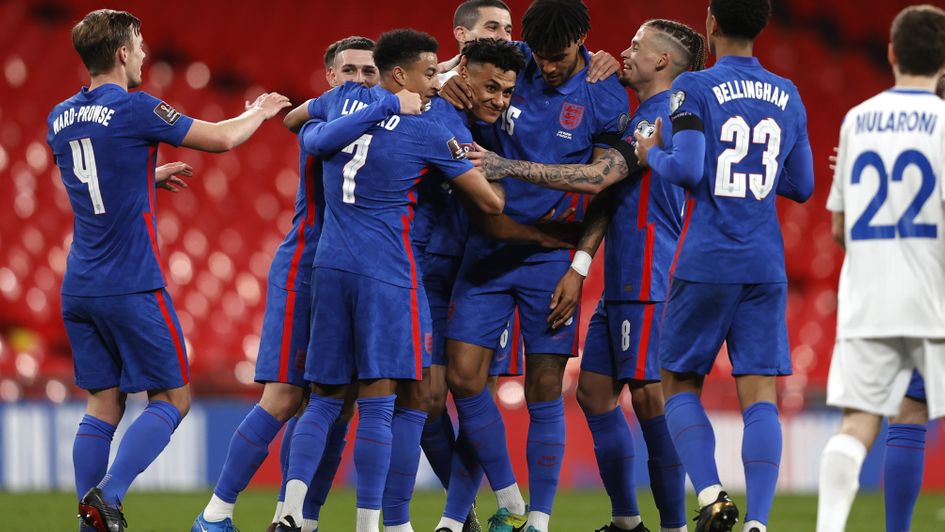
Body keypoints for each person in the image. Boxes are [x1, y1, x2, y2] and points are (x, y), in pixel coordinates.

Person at [47, 9, 290, 532]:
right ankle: (108, 496)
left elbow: (89, 184)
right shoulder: (135, 108)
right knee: (174, 398)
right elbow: (222, 139)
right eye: (138, 44)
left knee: (103, 401)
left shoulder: (59, 116)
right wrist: (259, 111)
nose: (143, 53)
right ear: (120, 54)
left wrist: (143, 177)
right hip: (129, 281)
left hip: (80, 283)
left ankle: (89, 523)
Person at [470, 18, 707, 532]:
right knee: (595, 393)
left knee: (649, 398)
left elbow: (599, 178)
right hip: (621, 273)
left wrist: (508, 166)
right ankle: (626, 520)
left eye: (637, 46)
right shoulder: (639, 109)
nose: (624, 51)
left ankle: (673, 526)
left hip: (650, 273)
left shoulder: (662, 115)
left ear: (662, 62)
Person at [274, 28, 504, 532]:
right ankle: (372, 525)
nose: (435, 84)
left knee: (324, 399)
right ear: (399, 74)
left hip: (330, 268)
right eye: (428, 74)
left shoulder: (341, 103)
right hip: (387, 274)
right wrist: (478, 160)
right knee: (379, 405)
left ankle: (290, 512)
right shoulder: (426, 131)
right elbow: (490, 202)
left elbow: (302, 130)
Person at [442, 1, 630, 531]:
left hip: (553, 257)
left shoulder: (604, 91)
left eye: (558, 56)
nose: (545, 67)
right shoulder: (512, 63)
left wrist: (580, 266)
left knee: (544, 385)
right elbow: (445, 70)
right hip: (488, 251)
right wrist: (449, 81)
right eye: (540, 56)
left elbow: (605, 193)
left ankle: (539, 521)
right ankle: (486, 508)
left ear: (582, 40)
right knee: (462, 377)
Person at [633, 0, 814, 531]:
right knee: (759, 393)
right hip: (764, 263)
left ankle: (712, 494)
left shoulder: (695, 87)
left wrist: (651, 153)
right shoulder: (789, 93)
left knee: (678, 381)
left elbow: (687, 170)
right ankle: (758, 521)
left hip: (708, 258)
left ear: (711, 24)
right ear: (762, 26)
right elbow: (801, 186)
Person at [192, 36, 385, 532]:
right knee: (282, 397)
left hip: (349, 275)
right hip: (305, 267)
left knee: (337, 405)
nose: (361, 79)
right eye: (350, 70)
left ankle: (297, 517)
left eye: (370, 71)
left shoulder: (377, 124)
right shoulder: (324, 120)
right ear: (330, 78)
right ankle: (217, 513)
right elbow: (301, 120)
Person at [815, 5, 945, 531]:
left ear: (891, 53)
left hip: (869, 297)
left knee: (862, 423)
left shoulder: (855, 121)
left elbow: (839, 232)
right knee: (912, 413)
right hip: (932, 296)